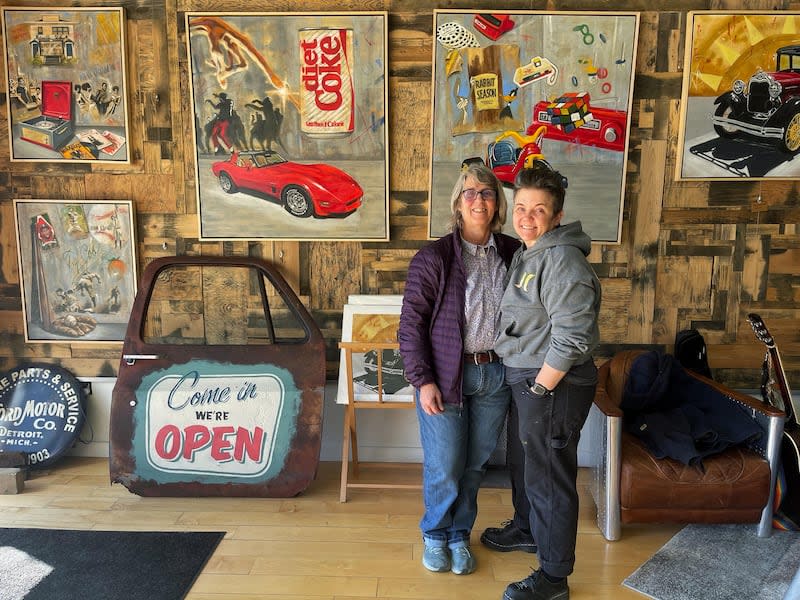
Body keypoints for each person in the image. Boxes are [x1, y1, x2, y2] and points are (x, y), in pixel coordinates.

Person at [398, 163, 521, 576]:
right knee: (445, 464)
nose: (478, 200)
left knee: (474, 465)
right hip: (446, 376)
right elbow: (411, 324)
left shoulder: (512, 253)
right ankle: (434, 533)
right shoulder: (433, 258)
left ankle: (459, 535)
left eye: (487, 193)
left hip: (495, 376)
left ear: (498, 203)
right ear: (457, 203)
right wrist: (423, 380)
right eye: (469, 192)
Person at [490, 163, 601, 600]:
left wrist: (540, 387)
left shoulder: (561, 258)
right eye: (521, 208)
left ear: (557, 216)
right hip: (531, 378)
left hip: (552, 383)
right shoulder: (530, 250)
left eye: (539, 210)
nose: (527, 217)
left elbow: (572, 335)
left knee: (549, 477)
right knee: (524, 463)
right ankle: (527, 528)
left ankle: (554, 580)